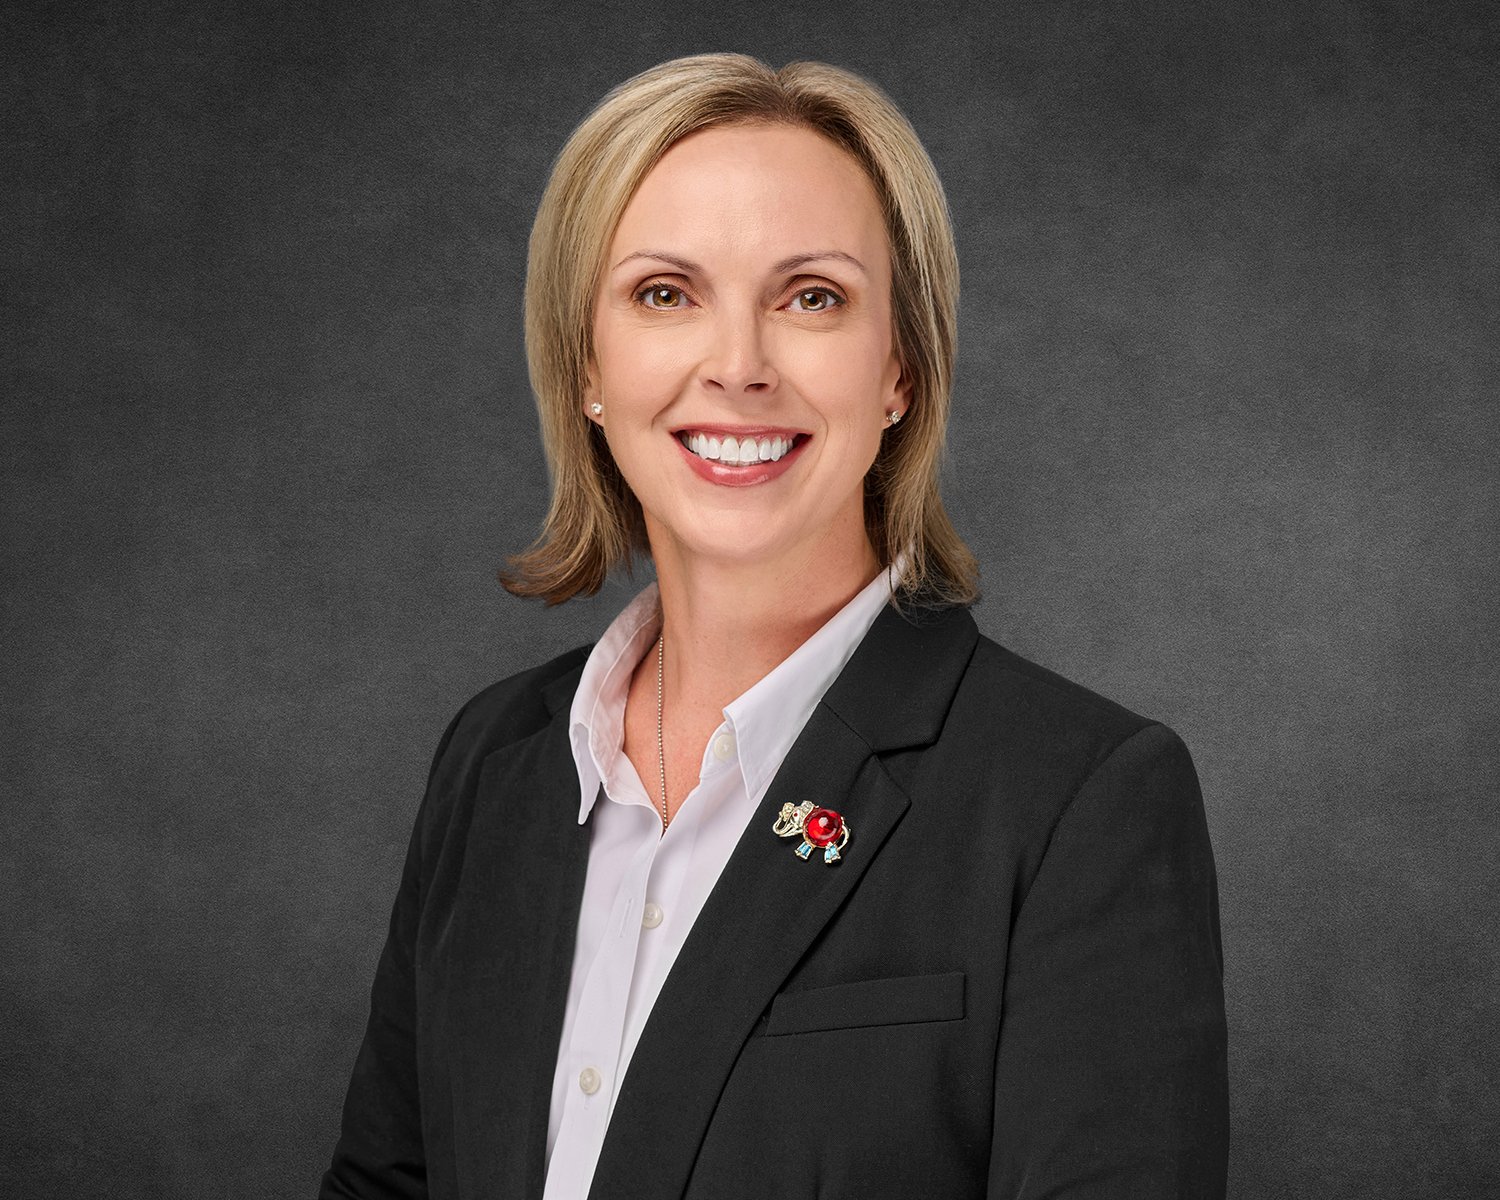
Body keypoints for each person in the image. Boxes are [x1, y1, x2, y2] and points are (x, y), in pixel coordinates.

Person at [319, 53, 1228, 1200]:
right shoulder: (492, 762)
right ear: (587, 366)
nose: (738, 366)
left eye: (813, 298)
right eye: (665, 294)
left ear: (900, 366)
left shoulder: (1080, 799)